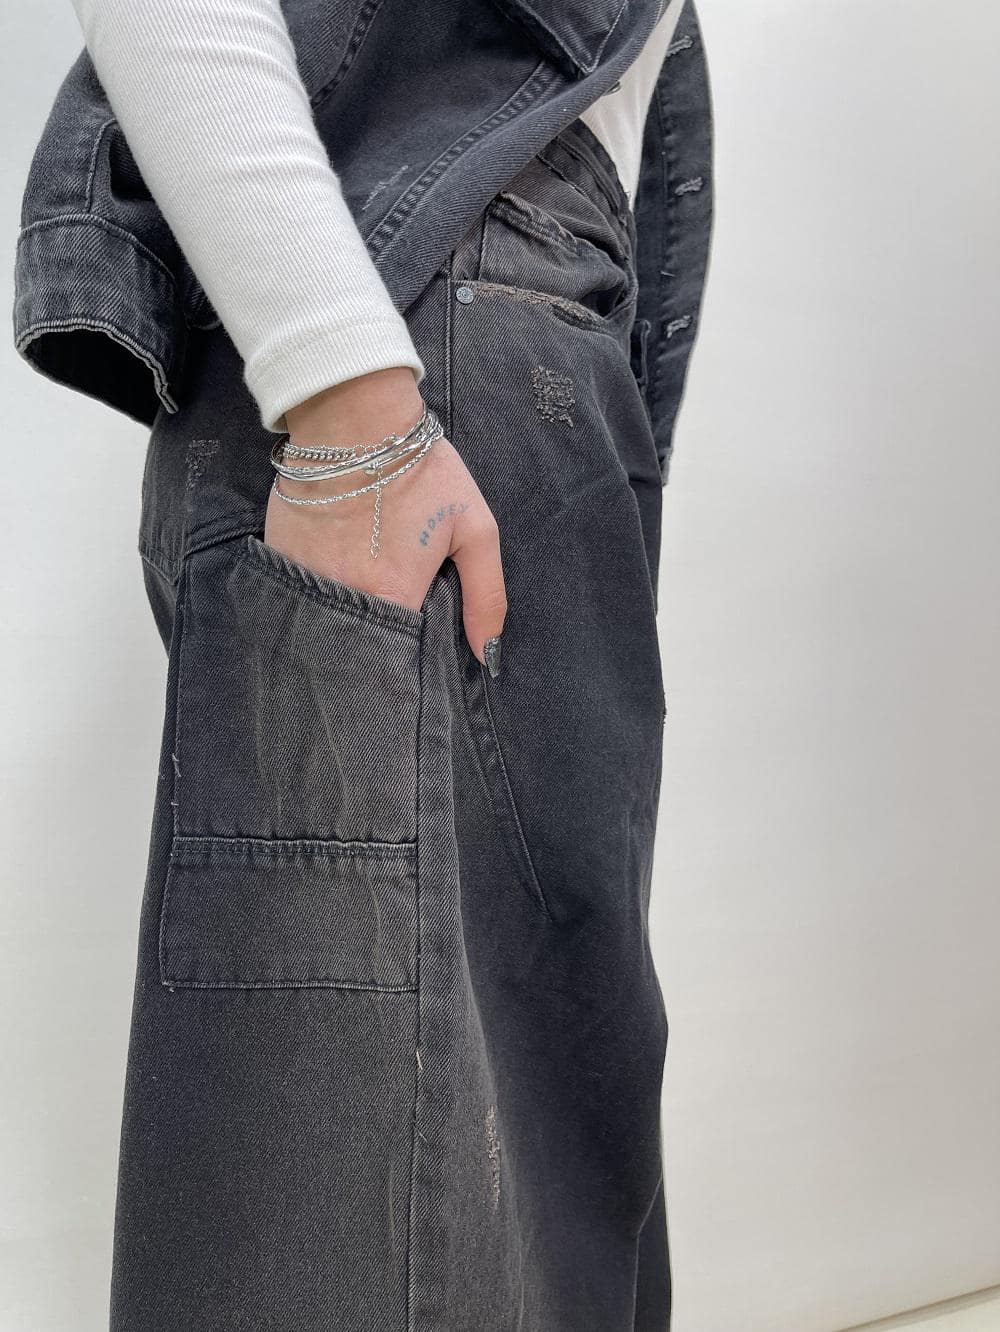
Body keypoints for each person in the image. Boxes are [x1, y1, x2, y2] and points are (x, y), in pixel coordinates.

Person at [15, 0, 713, 1325]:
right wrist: (352, 404)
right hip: (413, 368)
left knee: (538, 1212)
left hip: (457, 370)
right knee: (369, 1249)